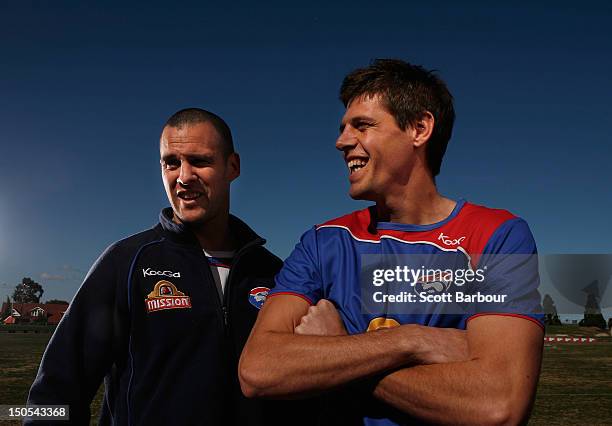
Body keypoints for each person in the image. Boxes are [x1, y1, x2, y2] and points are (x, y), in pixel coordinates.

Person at [239, 59, 545, 425]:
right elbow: (258, 369)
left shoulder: (498, 235)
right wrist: (412, 342)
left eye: (362, 125)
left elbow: (497, 405)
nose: (341, 141)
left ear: (419, 128)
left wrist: (336, 349)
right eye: (343, 128)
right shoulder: (323, 242)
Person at [27, 108, 294, 425]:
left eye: (199, 161)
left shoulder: (273, 273)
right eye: (171, 162)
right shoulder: (125, 262)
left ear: (232, 167)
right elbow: (54, 393)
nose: (183, 177)